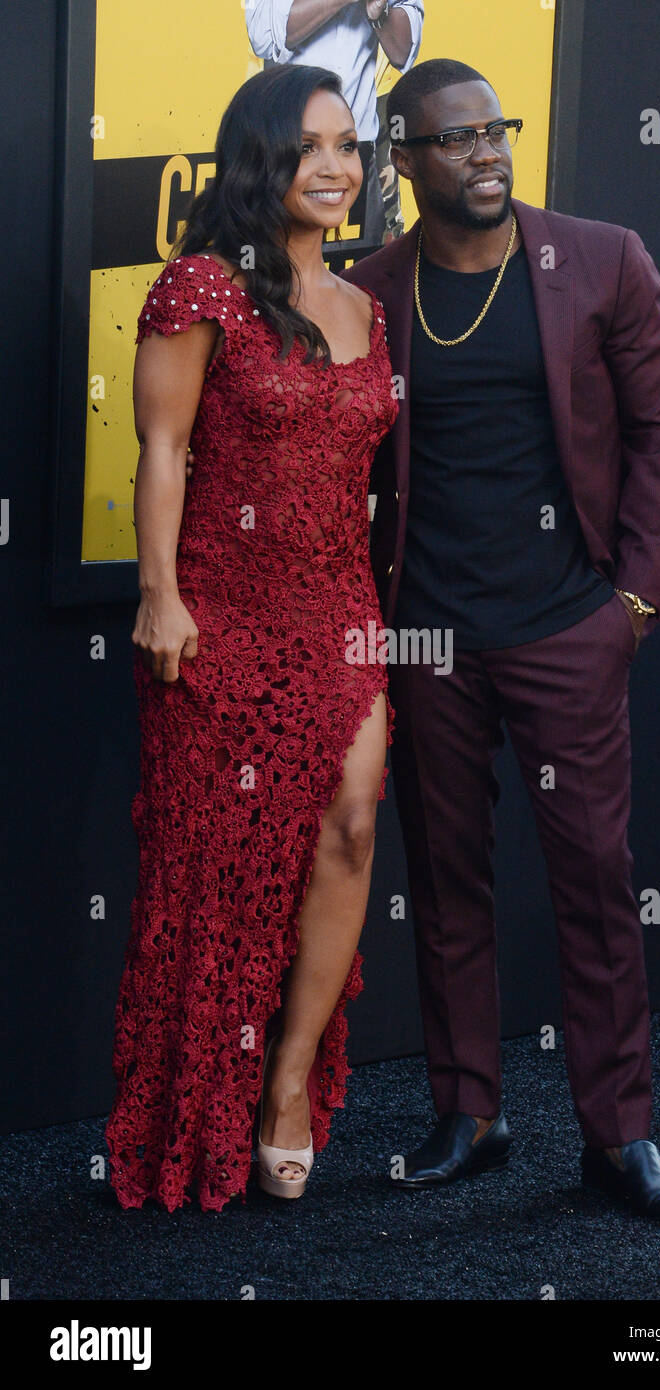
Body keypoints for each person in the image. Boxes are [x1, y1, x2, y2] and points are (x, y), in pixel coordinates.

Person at [340, 58, 660, 1226]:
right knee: (445, 882)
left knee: (594, 883)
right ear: (404, 162)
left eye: (496, 130)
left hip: (564, 627)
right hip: (429, 640)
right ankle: (471, 1111)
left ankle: (621, 1136)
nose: (487, 151)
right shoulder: (373, 288)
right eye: (456, 139)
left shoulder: (601, 259)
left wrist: (632, 606)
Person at [105, 63, 398, 1213]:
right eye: (310, 149)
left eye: (350, 148)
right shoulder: (202, 289)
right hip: (219, 608)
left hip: (340, 611)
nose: (337, 169)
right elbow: (164, 450)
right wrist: (159, 593)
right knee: (214, 870)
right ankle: (197, 1106)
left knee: (352, 827)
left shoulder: (368, 305)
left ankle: (285, 1085)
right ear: (261, 163)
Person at [246, 0, 424, 245]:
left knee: (358, 270)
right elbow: (264, 37)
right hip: (287, 147)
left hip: (356, 149)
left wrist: (379, 14)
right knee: (276, 267)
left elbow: (403, 52)